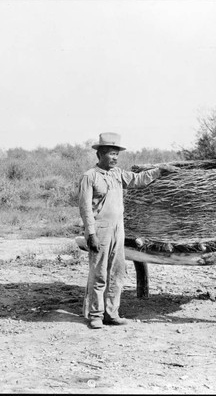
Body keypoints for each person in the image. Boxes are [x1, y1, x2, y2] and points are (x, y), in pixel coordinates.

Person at [78, 132, 180, 329]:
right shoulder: (89, 177)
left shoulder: (118, 174)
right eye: (110, 153)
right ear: (99, 154)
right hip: (100, 230)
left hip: (118, 230)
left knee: (117, 272)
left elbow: (137, 180)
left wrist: (159, 171)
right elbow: (85, 209)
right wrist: (90, 234)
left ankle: (112, 313)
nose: (114, 157)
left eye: (117, 154)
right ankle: (95, 315)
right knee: (99, 273)